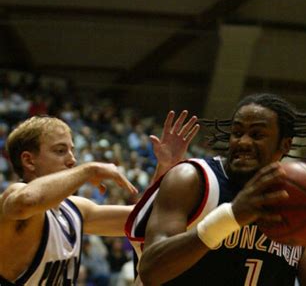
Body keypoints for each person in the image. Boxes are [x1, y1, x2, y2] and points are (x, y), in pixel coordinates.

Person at [126, 93, 306, 285]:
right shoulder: (194, 180)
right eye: (237, 132)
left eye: (257, 135)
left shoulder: (295, 202)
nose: (243, 142)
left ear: (285, 145)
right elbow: (150, 270)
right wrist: (231, 216)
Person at [0, 110, 199, 285]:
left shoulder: (74, 209)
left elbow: (143, 218)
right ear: (29, 160)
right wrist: (89, 170)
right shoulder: (15, 195)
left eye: (72, 150)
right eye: (60, 151)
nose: (72, 160)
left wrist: (165, 166)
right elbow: (26, 201)